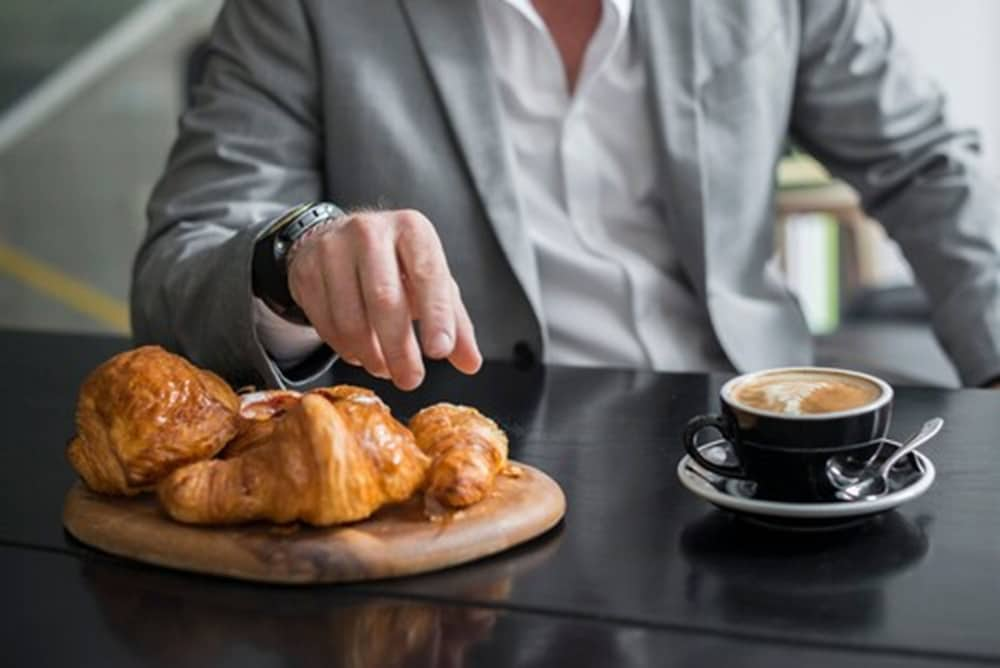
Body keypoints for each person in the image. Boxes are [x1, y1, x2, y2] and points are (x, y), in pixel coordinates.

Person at [132, 0, 1000, 391]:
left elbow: (927, 162)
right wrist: (294, 258)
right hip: (451, 483)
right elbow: (183, 253)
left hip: (748, 433)